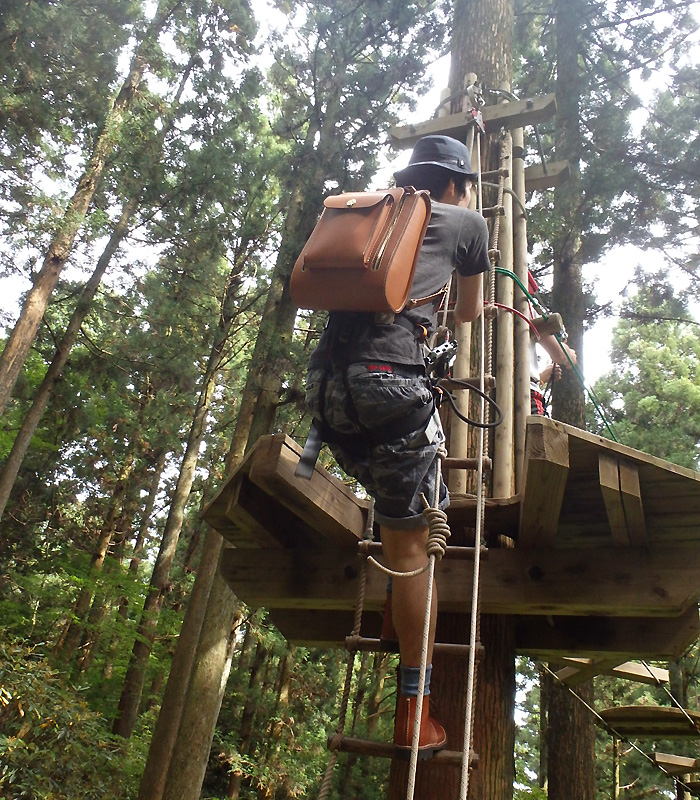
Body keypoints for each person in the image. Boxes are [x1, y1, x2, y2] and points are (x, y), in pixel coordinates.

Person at [303, 135, 490, 758]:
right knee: (413, 548)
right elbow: (465, 315)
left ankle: (395, 610)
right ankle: (416, 711)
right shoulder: (466, 222)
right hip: (391, 387)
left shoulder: (374, 212)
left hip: (327, 395)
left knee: (398, 514)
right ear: (457, 184)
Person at [526, 272, 577, 415]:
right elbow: (559, 354)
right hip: (526, 395)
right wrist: (569, 354)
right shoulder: (524, 303)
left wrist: (541, 377)